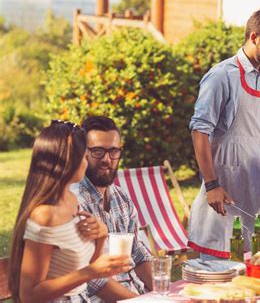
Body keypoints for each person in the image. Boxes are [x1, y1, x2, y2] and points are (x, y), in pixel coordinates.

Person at [188, 7, 260, 259]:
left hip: (257, 188)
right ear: (254, 37)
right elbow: (200, 131)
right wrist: (211, 185)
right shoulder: (221, 76)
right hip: (224, 190)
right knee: (220, 277)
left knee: (259, 273)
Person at [8, 120, 131, 303]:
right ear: (67, 162)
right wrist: (91, 272)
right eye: (83, 157)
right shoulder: (45, 215)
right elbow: (29, 295)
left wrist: (101, 236)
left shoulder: (71, 201)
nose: (85, 162)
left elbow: (88, 266)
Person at [72, 116, 153, 302]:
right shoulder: (75, 202)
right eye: (98, 151)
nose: (107, 160)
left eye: (113, 151)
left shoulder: (121, 196)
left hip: (135, 294)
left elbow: (138, 254)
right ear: (83, 153)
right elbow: (93, 281)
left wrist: (163, 294)